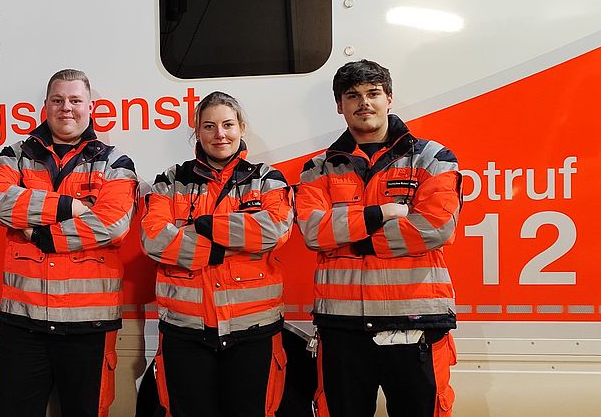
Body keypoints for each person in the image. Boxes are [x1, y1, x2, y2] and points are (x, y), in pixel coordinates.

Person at [295, 60, 461, 417]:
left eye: (373, 93)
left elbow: (435, 227)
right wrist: (379, 215)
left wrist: (351, 240)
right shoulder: (317, 168)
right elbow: (312, 231)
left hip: (415, 321)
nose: (364, 103)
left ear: (389, 98)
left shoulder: (433, 158)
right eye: (352, 96)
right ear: (339, 105)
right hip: (342, 326)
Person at [0, 68, 139, 417]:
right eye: (58, 100)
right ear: (46, 106)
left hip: (89, 327)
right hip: (23, 324)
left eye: (75, 100)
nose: (66, 108)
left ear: (90, 106)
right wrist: (71, 207)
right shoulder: (15, 155)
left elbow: (112, 225)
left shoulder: (115, 163)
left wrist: (41, 234)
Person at [140, 91, 295, 416]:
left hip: (252, 333)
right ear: (197, 131)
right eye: (209, 126)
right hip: (186, 334)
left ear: (242, 127)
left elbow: (274, 230)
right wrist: (236, 240)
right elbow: (154, 239)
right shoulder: (170, 181)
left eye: (227, 124)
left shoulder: (267, 179)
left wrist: (205, 226)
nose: (219, 134)